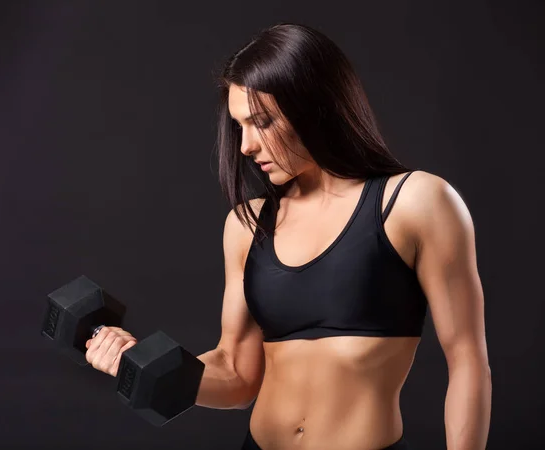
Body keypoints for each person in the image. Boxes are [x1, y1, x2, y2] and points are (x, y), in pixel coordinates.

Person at [84, 23, 491, 450]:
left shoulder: (416, 202)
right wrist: (138, 363)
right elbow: (237, 377)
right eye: (239, 125)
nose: (245, 146)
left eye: (261, 122)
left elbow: (467, 361)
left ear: (316, 107)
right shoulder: (248, 224)